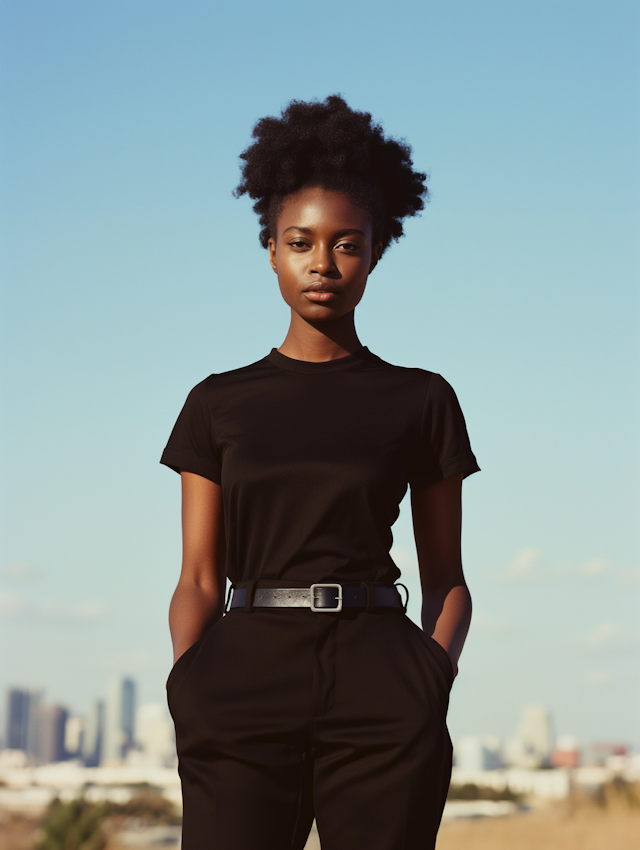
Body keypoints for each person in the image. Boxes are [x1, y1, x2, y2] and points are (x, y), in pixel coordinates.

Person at [160, 95, 480, 850]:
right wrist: (191, 685)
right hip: (241, 678)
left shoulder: (422, 398)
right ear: (270, 247)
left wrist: (430, 678)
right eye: (301, 242)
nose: (322, 265)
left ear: (376, 252)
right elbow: (199, 578)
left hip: (383, 678)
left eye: (347, 244)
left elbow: (449, 577)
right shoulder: (217, 403)